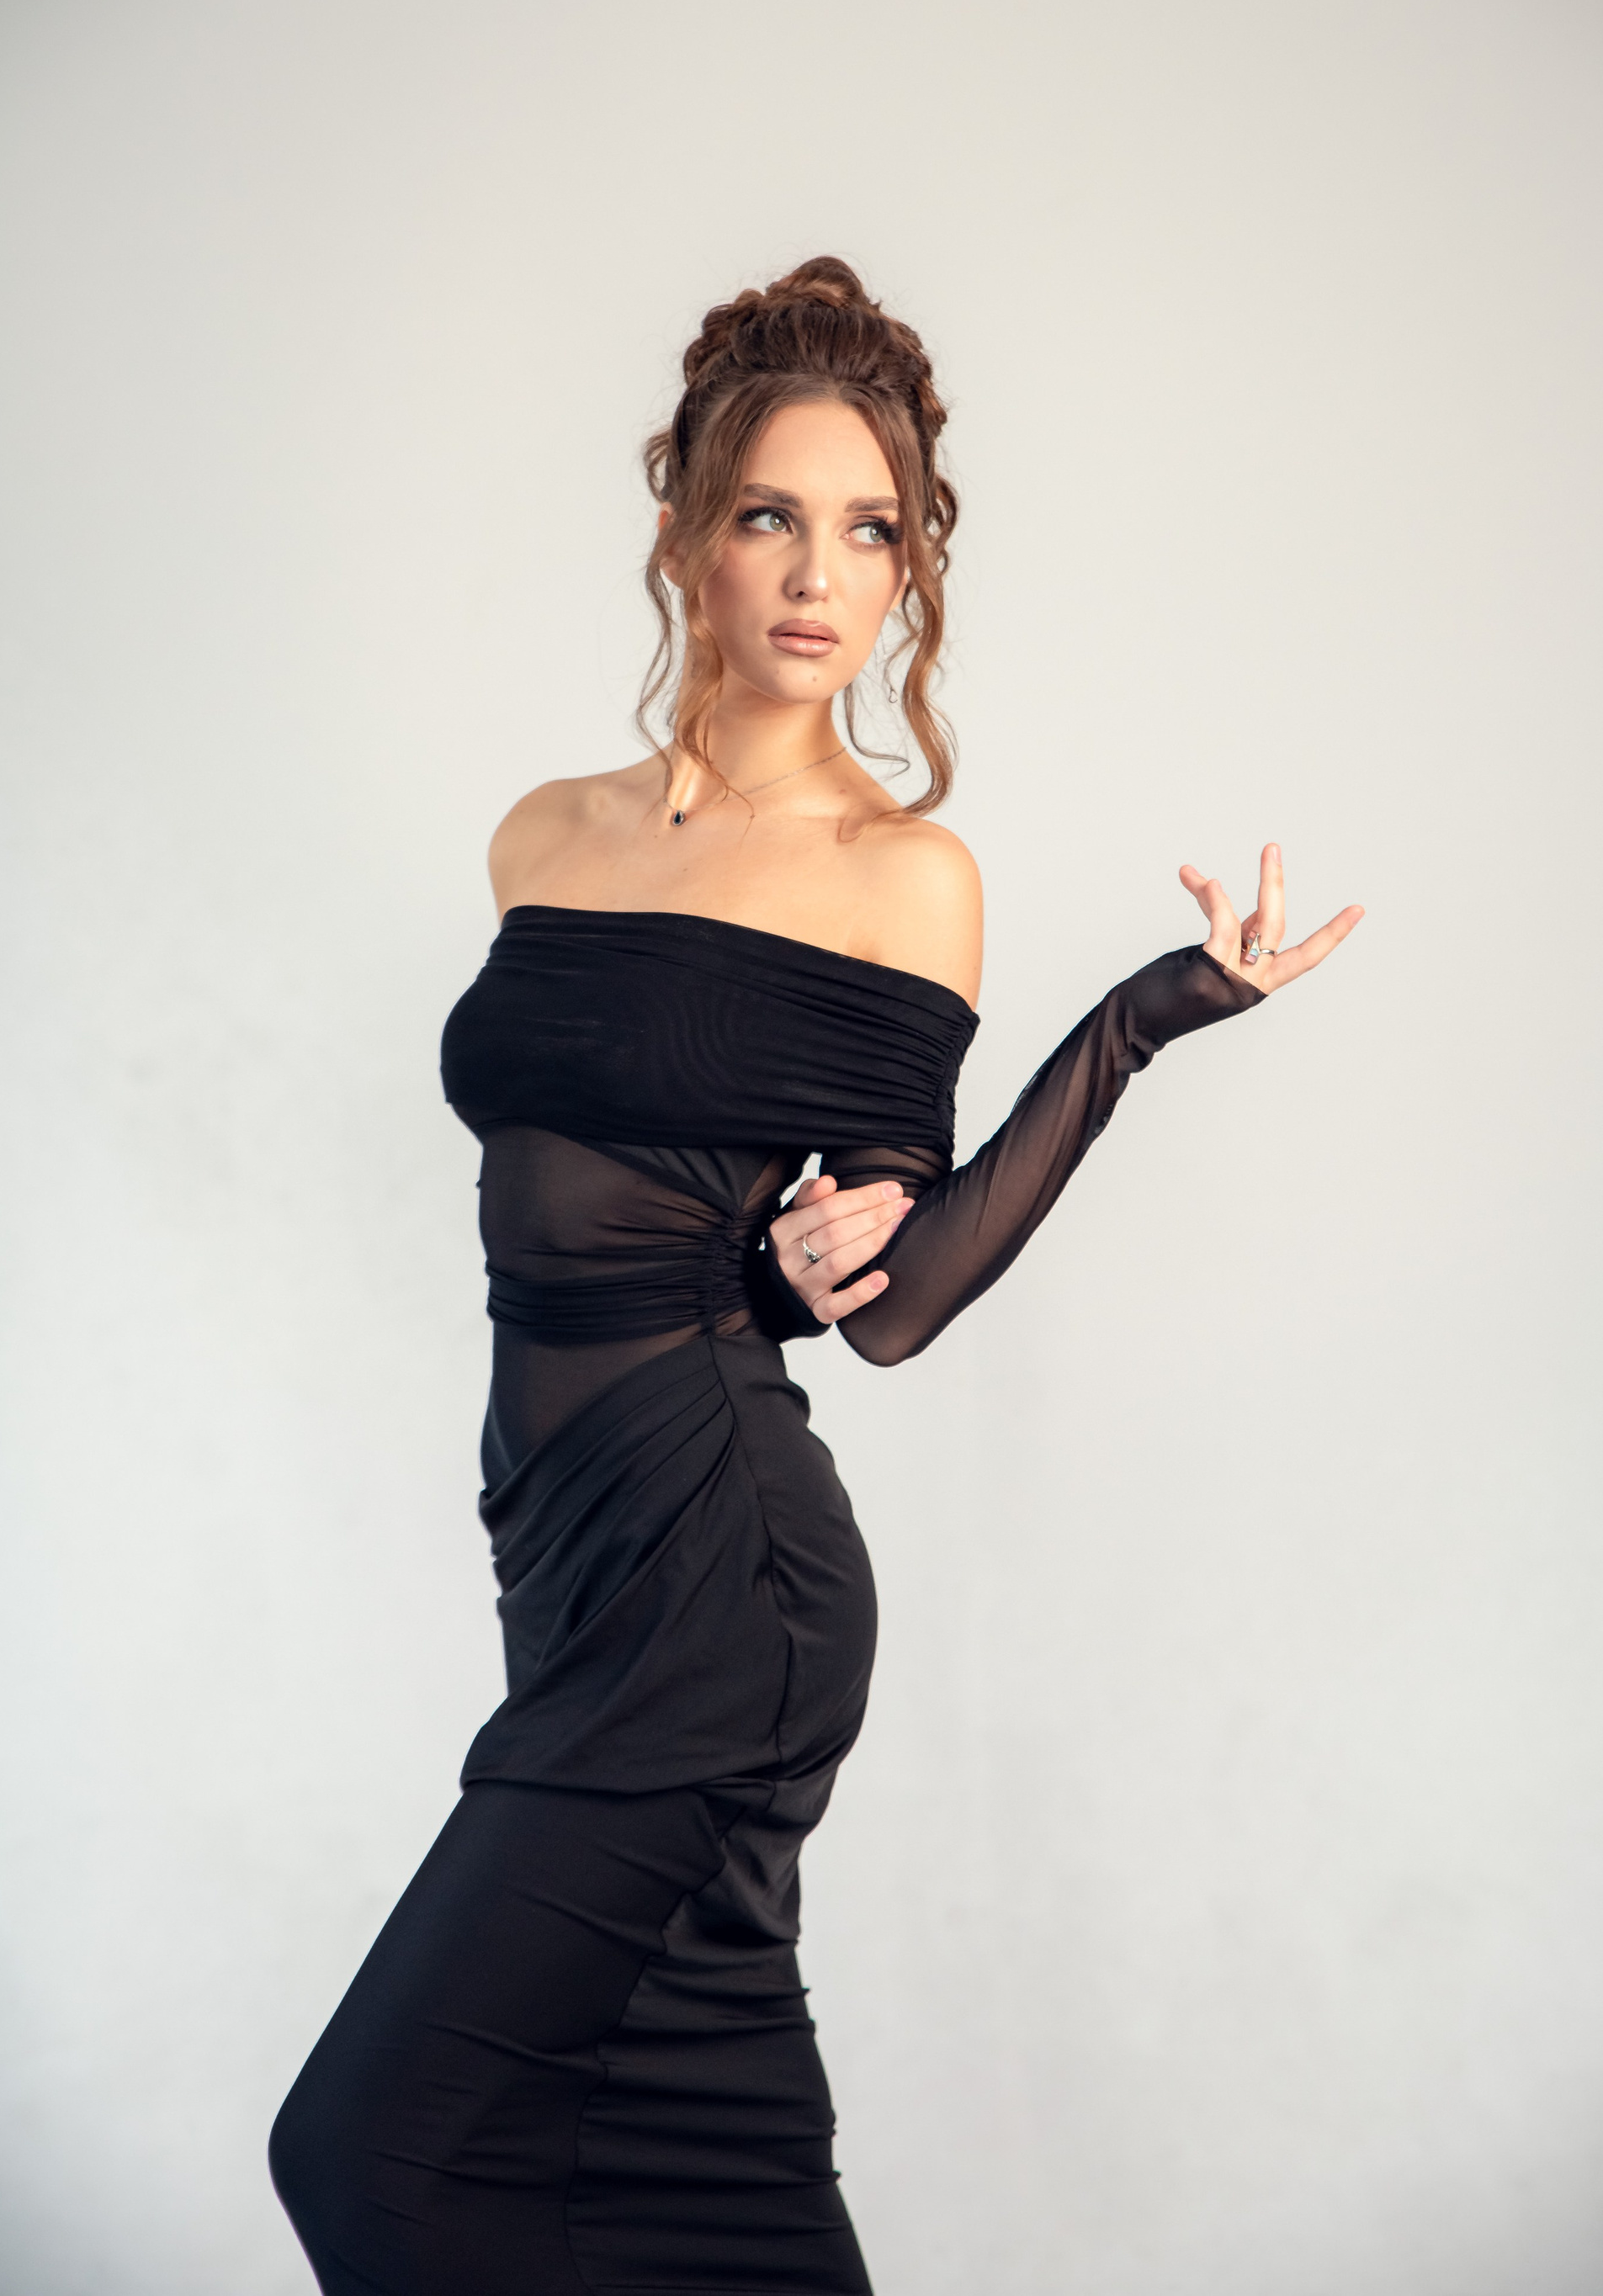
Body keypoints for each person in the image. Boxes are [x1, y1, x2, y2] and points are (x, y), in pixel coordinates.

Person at [269, 256, 1361, 2295]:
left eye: (871, 530)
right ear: (688, 529)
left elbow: (892, 1294)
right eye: (773, 513)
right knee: (688, 2163)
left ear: (909, 567)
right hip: (562, 1552)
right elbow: (662, 1206)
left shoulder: (898, 876)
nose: (819, 574)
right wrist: (764, 1267)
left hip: (720, 1572)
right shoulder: (542, 836)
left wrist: (1142, 1017)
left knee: (369, 2148)